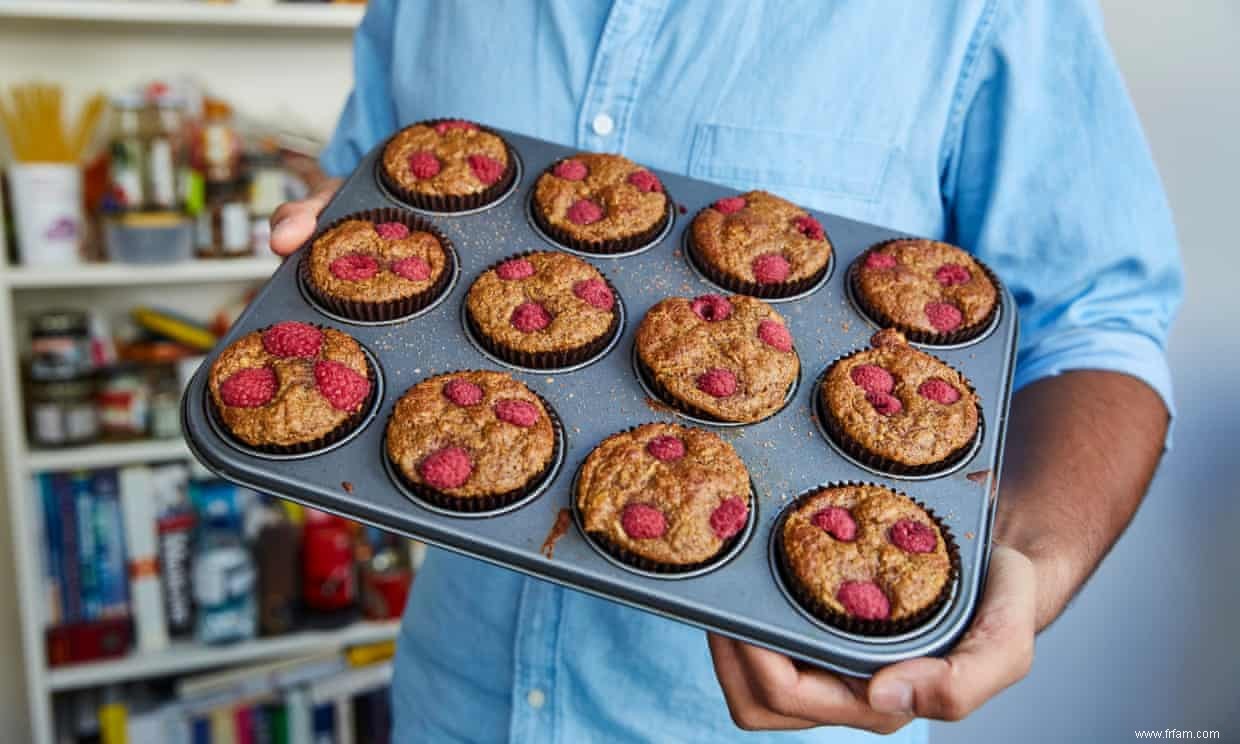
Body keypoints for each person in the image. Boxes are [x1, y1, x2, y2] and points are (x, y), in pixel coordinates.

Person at [269, 2, 1182, 741]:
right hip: (451, 695)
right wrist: (326, 261)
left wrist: (1030, 561)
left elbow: (1099, 323)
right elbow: (376, 202)